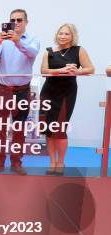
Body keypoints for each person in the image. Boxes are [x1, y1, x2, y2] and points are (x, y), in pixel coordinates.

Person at [0, 9, 40, 175]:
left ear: (26, 22)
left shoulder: (33, 40)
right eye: (13, 20)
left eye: (19, 20)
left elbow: (31, 53)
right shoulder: (3, 41)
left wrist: (18, 41)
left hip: (22, 90)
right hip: (3, 89)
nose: (16, 22)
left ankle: (16, 162)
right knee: (0, 127)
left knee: (19, 127)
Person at [40, 24, 94, 175]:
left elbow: (90, 68)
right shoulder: (48, 52)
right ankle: (52, 162)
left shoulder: (79, 50)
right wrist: (60, 71)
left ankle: (61, 162)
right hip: (48, 92)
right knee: (48, 130)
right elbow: (43, 71)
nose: (63, 36)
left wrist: (78, 71)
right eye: (60, 33)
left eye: (66, 34)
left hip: (66, 94)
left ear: (72, 36)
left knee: (60, 130)